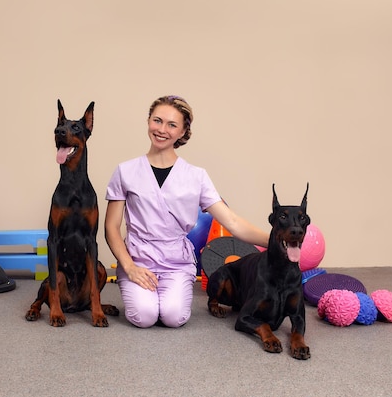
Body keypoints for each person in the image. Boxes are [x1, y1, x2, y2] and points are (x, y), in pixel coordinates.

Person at [104, 95, 269, 328]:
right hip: (137, 258)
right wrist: (129, 267)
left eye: (172, 125)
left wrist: (273, 241)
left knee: (173, 317)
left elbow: (231, 221)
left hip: (176, 262)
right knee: (144, 317)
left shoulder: (196, 176)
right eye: (157, 121)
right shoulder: (125, 171)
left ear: (182, 132)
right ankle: (139, 287)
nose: (162, 129)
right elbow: (111, 226)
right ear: (148, 121)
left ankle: (168, 291)